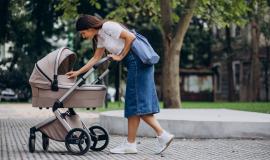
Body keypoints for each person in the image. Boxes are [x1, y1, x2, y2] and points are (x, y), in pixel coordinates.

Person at [66, 15, 174, 154]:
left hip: (137, 62)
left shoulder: (107, 26)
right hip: (135, 64)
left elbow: (130, 37)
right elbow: (96, 58)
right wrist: (77, 72)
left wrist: (120, 56)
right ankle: (131, 143)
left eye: (83, 33)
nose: (83, 36)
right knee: (134, 104)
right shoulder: (100, 37)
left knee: (135, 103)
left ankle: (161, 135)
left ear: (90, 28)